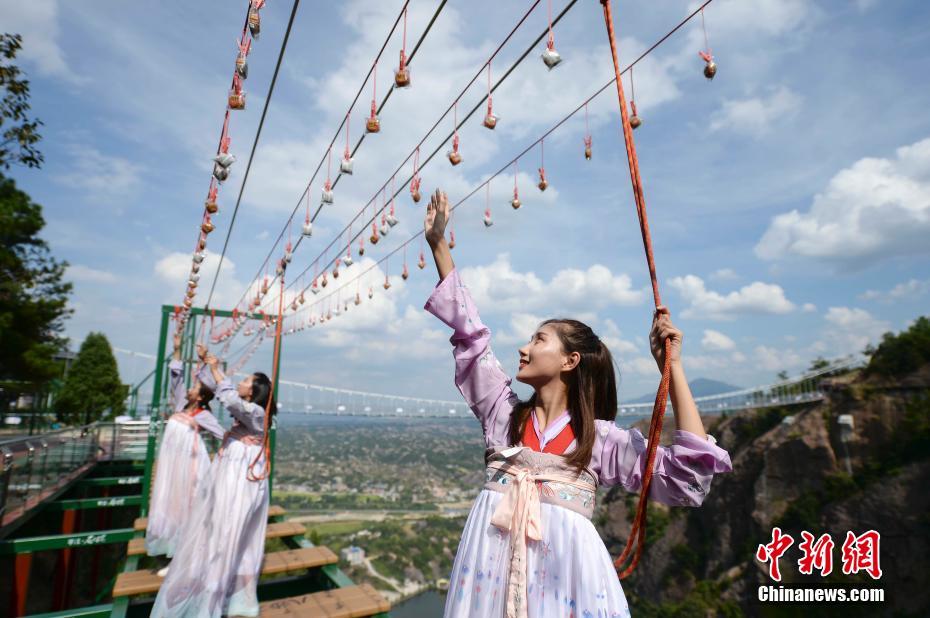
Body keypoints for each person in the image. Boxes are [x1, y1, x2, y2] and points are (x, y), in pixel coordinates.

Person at [421, 189, 734, 618]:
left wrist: (672, 368)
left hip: (568, 589)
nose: (524, 348)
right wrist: (439, 245)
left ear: (570, 361)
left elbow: (686, 478)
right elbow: (471, 338)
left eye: (538, 340)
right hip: (489, 585)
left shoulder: (599, 440)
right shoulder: (503, 415)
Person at [150, 347, 274, 618]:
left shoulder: (254, 412)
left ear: (253, 392)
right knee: (215, 526)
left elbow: (229, 400)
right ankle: (205, 581)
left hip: (240, 482)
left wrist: (216, 369)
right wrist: (208, 364)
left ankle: (213, 593)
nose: (241, 382)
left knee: (227, 529)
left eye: (246, 381)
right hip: (230, 477)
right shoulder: (248, 415)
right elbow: (219, 393)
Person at [145, 335, 225, 559]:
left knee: (187, 503)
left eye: (195, 387)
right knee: (170, 502)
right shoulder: (181, 404)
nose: (189, 388)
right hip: (171, 464)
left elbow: (223, 435)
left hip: (190, 466)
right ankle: (173, 547)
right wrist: (177, 349)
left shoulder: (204, 415)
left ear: (199, 397)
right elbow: (176, 377)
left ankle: (188, 552)